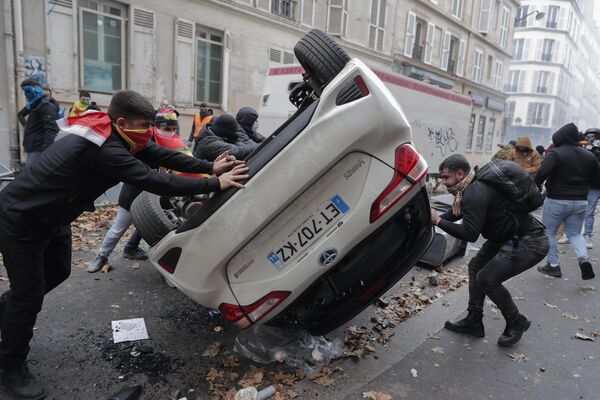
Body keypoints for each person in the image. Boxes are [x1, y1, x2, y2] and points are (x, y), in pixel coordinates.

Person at [0, 90, 248, 399]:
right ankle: (11, 365)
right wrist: (213, 184)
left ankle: (7, 311)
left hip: (54, 217)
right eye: (145, 125)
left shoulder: (116, 131)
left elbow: (158, 154)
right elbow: (154, 180)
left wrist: (208, 166)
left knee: (59, 271)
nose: (149, 131)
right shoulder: (104, 149)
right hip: (22, 219)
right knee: (29, 297)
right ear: (121, 121)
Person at [432, 155, 548, 347]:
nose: (444, 183)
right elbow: (456, 213)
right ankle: (474, 320)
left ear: (460, 174)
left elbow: (470, 233)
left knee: (487, 279)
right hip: (505, 237)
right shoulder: (469, 188)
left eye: (446, 177)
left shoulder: (474, 192)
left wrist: (438, 222)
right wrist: (433, 220)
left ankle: (516, 321)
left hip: (529, 240)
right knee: (475, 266)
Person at [88, 105, 186, 273]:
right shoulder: (143, 143)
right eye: (165, 128)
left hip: (154, 198)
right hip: (133, 195)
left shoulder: (174, 143)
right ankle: (102, 256)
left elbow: (181, 160)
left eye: (172, 129)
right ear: (155, 127)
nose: (169, 132)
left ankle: (135, 250)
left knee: (152, 226)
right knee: (118, 229)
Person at [535, 123, 600, 279]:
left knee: (549, 232)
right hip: (580, 202)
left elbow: (541, 174)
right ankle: (583, 258)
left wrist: (537, 185)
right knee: (575, 234)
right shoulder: (589, 156)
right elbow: (597, 179)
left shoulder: (556, 154)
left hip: (557, 199)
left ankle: (553, 265)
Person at [19, 79, 60, 165]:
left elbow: (51, 130)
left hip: (39, 150)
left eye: (27, 91)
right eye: (24, 92)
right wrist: (26, 126)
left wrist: (44, 153)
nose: (25, 94)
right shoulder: (35, 105)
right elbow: (20, 115)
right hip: (33, 149)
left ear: (35, 89)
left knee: (31, 176)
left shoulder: (46, 106)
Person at [193, 114, 257, 161]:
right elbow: (237, 151)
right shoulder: (208, 142)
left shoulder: (213, 133)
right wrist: (260, 146)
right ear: (225, 133)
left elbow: (238, 143)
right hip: (203, 177)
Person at [582, 127, 600, 249]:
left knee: (589, 212)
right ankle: (585, 235)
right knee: (587, 211)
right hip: (590, 184)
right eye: (589, 136)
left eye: (594, 136)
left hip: (596, 184)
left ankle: (586, 235)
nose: (591, 138)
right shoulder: (584, 149)